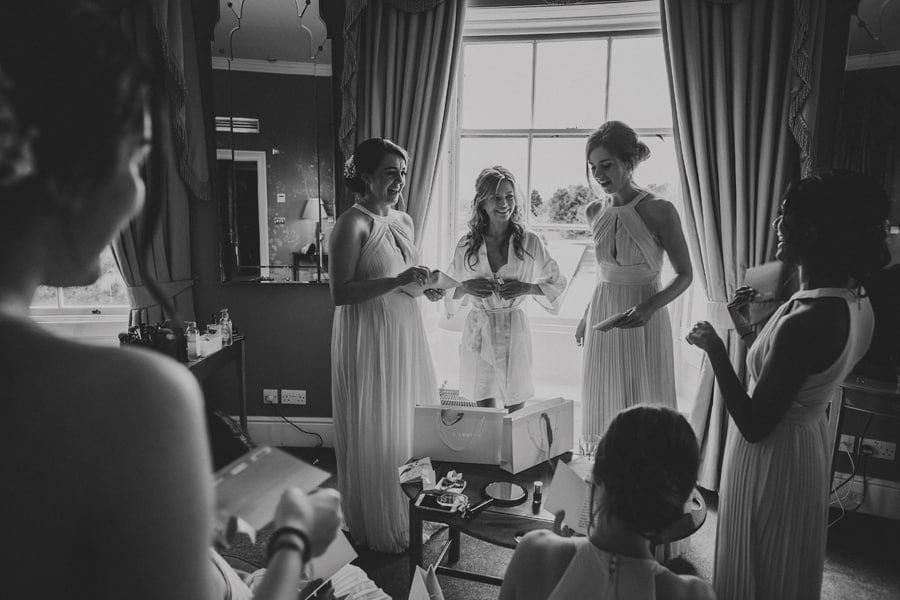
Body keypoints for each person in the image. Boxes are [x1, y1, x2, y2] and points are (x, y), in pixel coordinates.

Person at [0, 3, 343, 599]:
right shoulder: (133, 399)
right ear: (64, 169)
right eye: (138, 159)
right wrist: (291, 539)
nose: (138, 193)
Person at [686, 171, 890, 600]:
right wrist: (744, 328)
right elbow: (790, 377)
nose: (778, 227)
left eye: (784, 216)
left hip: (772, 455)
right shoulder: (855, 301)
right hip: (805, 443)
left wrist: (714, 349)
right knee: (779, 561)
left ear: (811, 231)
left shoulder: (808, 320)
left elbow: (755, 422)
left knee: (759, 559)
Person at [329, 137, 441, 553]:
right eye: (391, 172)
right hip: (368, 338)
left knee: (408, 425)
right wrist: (398, 280)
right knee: (376, 426)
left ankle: (415, 513)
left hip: (404, 333)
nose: (400, 180)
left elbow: (402, 278)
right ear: (366, 176)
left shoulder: (405, 221)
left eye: (404, 172)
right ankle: (377, 522)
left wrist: (422, 287)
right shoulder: (351, 224)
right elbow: (341, 293)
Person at [498, 405, 714, 600]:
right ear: (675, 507)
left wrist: (561, 548)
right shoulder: (693, 594)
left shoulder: (536, 551)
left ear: (595, 476)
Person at [576, 121, 692, 436]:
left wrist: (649, 307)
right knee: (605, 397)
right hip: (604, 312)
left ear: (629, 163)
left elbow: (685, 275)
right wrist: (587, 315)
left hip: (645, 314)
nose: (599, 175)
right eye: (593, 167)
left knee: (644, 400)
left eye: (607, 165)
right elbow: (604, 272)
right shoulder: (593, 212)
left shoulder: (659, 209)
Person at [445, 166, 566, 409]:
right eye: (496, 197)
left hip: (514, 329)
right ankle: (489, 448)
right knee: (485, 411)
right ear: (482, 202)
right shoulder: (467, 244)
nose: (504, 204)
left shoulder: (529, 241)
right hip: (480, 329)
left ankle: (513, 448)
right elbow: (449, 292)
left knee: (515, 408)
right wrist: (467, 286)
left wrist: (526, 288)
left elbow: (557, 283)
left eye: (509, 196)